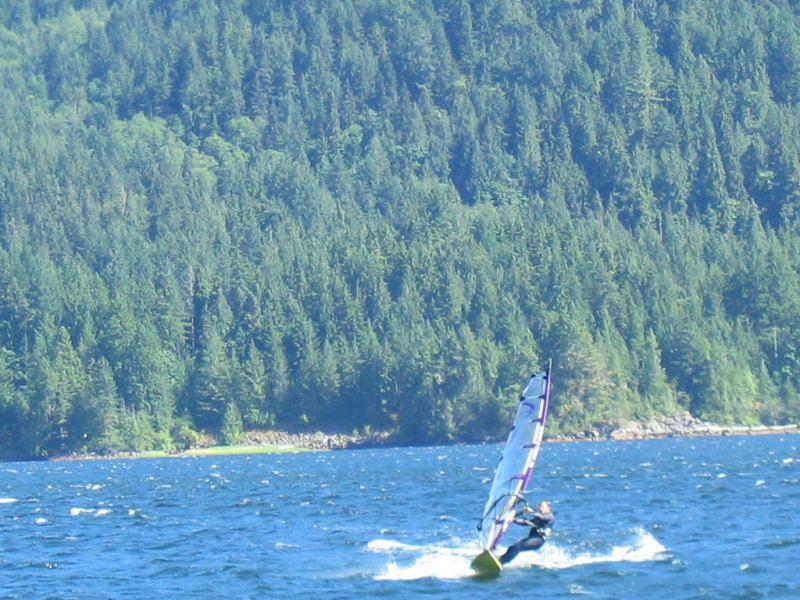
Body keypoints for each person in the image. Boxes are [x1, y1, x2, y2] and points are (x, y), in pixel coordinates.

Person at [498, 500, 554, 565]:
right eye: (539, 506)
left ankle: (501, 563)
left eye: (542, 507)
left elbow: (540, 516)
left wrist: (531, 512)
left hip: (538, 541)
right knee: (512, 547)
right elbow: (525, 523)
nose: (540, 508)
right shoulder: (538, 518)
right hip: (531, 539)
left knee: (517, 547)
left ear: (548, 508)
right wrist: (514, 520)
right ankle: (500, 560)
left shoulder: (550, 517)